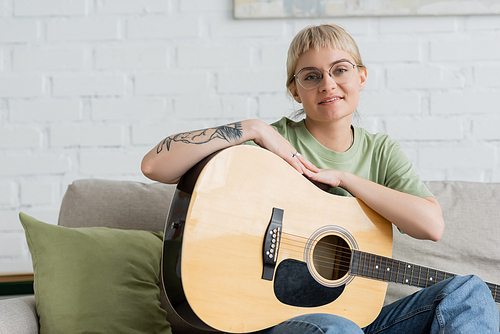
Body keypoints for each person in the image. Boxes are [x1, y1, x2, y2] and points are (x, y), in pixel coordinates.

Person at [142, 24, 499, 333]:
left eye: (340, 70)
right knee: (337, 327)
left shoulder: (381, 151)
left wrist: (346, 178)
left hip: (358, 322)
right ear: (295, 90)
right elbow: (154, 166)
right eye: (311, 76)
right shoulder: (274, 141)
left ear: (361, 76)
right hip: (271, 320)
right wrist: (253, 128)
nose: (327, 84)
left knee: (468, 289)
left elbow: (431, 226)